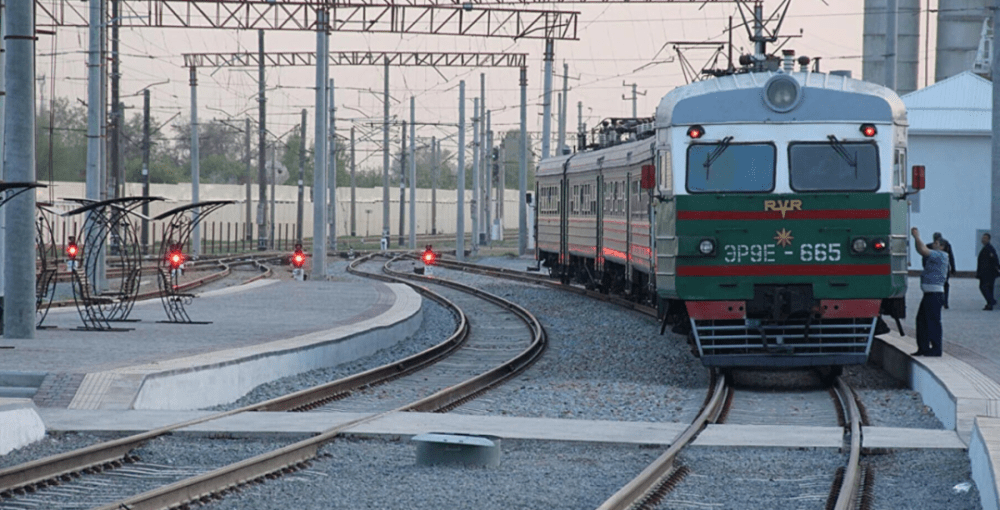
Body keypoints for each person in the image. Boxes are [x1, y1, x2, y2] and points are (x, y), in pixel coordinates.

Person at [912, 228, 948, 357]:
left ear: (942, 246)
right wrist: (916, 239)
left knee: (932, 321)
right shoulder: (936, 254)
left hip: (934, 294)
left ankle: (936, 349)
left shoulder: (941, 255)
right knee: (922, 320)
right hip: (929, 294)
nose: (934, 244)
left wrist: (916, 237)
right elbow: (921, 250)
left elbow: (923, 250)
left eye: (937, 243)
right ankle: (923, 348)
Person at [933, 232, 957, 308]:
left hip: (937, 268)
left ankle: (939, 301)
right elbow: (951, 256)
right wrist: (953, 268)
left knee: (938, 285)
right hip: (945, 267)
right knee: (945, 285)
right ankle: (945, 302)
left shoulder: (933, 245)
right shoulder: (947, 244)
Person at [977, 232, 1000, 311]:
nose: (983, 240)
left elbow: (995, 259)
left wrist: (997, 268)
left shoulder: (989, 248)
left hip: (988, 273)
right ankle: (989, 303)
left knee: (984, 287)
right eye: (983, 238)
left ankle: (991, 302)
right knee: (987, 288)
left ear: (989, 239)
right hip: (985, 273)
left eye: (985, 238)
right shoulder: (986, 248)